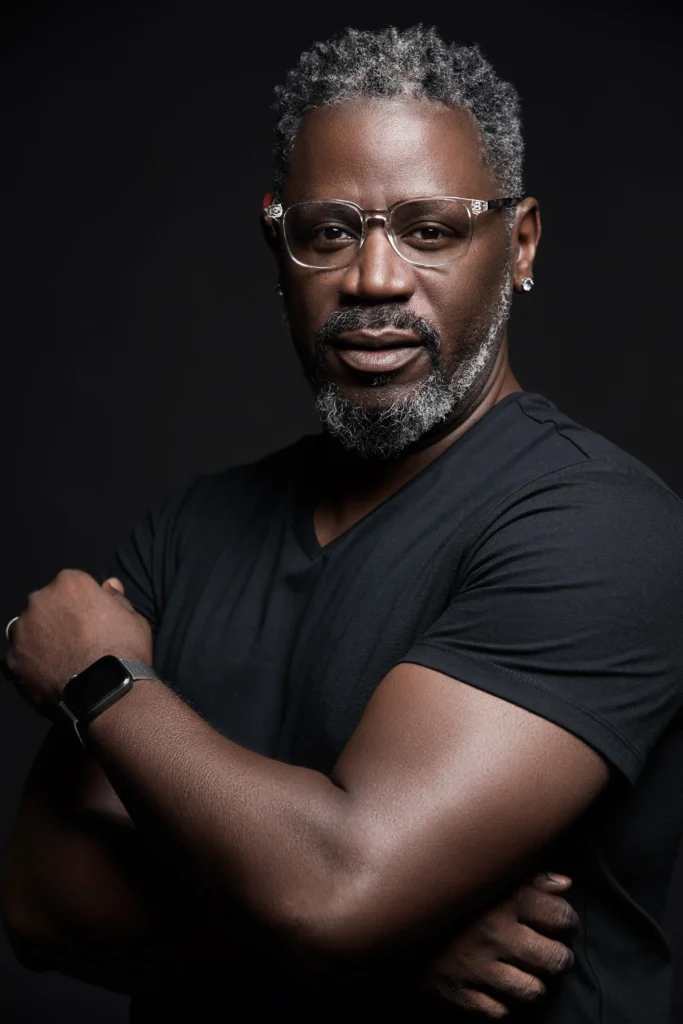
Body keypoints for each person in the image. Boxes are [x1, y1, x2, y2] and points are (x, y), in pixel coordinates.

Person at [3, 24, 683, 1023]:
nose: (373, 279)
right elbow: (40, 897)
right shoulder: (188, 529)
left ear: (519, 244)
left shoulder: (600, 528)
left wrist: (102, 680)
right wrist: (375, 947)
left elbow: (334, 887)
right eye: (329, 230)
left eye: (430, 229)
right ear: (279, 246)